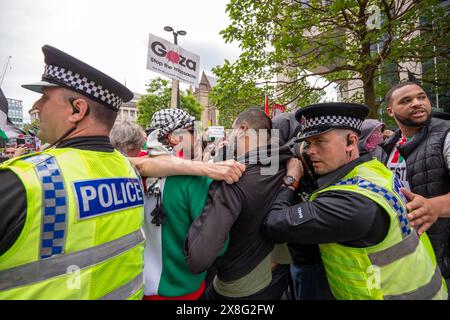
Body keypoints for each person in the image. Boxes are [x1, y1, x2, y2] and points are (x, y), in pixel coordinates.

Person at [0, 45, 146, 300]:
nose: (36, 105)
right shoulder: (129, 172)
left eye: (45, 96)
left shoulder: (25, 182)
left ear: (77, 110)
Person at [264, 102, 448, 300]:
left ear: (351, 142)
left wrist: (290, 180)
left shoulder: (348, 205)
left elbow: (274, 223)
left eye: (319, 141)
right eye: (308, 144)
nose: (310, 151)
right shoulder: (373, 169)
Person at [185, 108, 291, 300]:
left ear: (243, 128)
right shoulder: (285, 164)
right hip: (268, 273)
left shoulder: (234, 180)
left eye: (233, 130)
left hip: (237, 284)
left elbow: (198, 258)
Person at [381, 82, 450, 286]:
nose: (417, 103)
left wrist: (434, 207)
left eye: (421, 97)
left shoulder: (446, 135)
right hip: (409, 260)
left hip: (443, 260)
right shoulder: (388, 147)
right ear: (390, 111)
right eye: (406, 100)